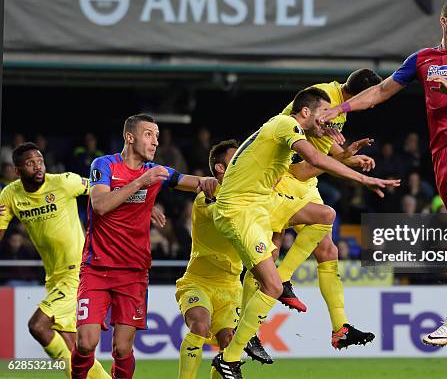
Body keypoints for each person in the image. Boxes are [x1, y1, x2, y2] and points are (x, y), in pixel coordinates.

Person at [321, 0, 447, 345]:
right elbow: (382, 91)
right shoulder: (422, 59)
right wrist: (341, 106)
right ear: (444, 21)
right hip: (442, 154)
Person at [210, 88, 399, 379]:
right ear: (306, 112)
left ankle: (285, 278)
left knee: (326, 215)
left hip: (263, 201)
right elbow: (316, 158)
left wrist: (345, 156)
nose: (329, 120)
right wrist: (363, 178)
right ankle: (229, 358)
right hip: (239, 209)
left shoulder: (285, 136)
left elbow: (302, 171)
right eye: (324, 113)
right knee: (269, 287)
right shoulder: (286, 125)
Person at [70, 114, 217, 379]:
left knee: (122, 348)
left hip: (134, 272)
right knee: (86, 342)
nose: (155, 142)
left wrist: (221, 182)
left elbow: (195, 182)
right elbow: (100, 205)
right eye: (149, 134)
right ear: (130, 137)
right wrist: (140, 183)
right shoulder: (104, 165)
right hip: (97, 268)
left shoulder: (157, 172)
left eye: (157, 137)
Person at [272, 68, 381, 348]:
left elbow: (326, 150)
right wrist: (353, 169)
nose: (372, 105)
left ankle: (340, 328)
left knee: (328, 250)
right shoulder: (325, 100)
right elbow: (297, 128)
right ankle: (244, 325)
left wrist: (348, 157)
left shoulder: (338, 107)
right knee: (270, 252)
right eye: (372, 100)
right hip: (287, 177)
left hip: (306, 181)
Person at [0, 142, 110, 378]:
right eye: (30, 163)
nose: (38, 167)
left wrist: (140, 204)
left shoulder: (63, 182)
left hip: (78, 272)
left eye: (39, 161)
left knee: (38, 325)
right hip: (54, 276)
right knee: (76, 349)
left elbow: (102, 189)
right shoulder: (10, 194)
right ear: (17, 171)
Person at [176, 139, 275, 379]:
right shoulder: (205, 197)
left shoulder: (247, 196)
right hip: (198, 281)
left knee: (229, 343)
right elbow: (222, 215)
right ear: (220, 168)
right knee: (200, 325)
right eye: (236, 157)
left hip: (231, 287)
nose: (243, 161)